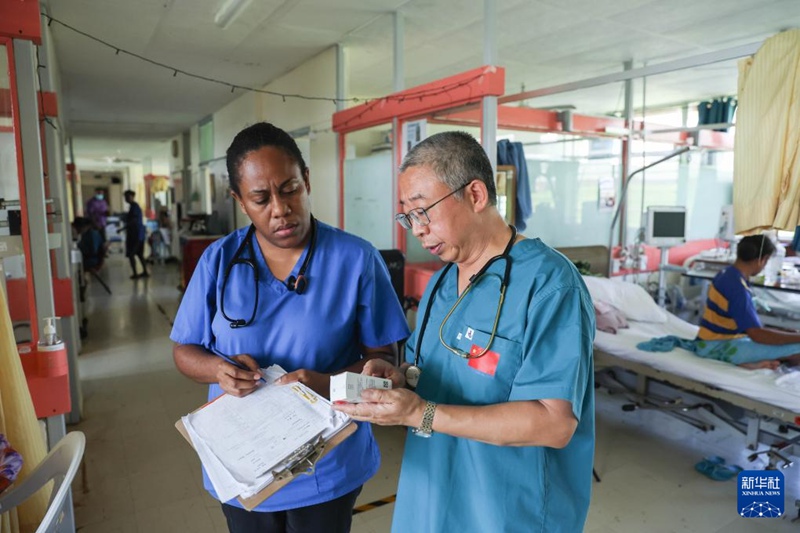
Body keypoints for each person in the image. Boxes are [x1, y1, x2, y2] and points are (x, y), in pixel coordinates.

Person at [334, 131, 596, 533]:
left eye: (424, 212)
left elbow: (553, 423)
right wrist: (399, 380)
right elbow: (434, 375)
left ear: (475, 195)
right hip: (431, 498)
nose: (416, 230)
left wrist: (421, 413)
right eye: (408, 216)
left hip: (506, 511)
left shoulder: (549, 285)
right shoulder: (443, 284)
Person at [170, 122, 409, 533]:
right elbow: (185, 351)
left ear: (307, 182)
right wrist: (217, 371)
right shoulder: (218, 261)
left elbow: (383, 361)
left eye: (290, 189)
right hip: (243, 461)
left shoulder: (356, 259)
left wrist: (327, 383)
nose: (279, 208)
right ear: (240, 201)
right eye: (260, 198)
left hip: (327, 461)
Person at [695, 234, 800, 368]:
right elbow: (757, 335)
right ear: (763, 260)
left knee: (790, 337)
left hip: (707, 340)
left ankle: (759, 363)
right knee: (797, 348)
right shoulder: (738, 288)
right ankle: (761, 365)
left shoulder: (727, 274)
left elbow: (747, 326)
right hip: (717, 346)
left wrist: (786, 333)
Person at [123, 189, 148, 279]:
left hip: (136, 235)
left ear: (132, 197)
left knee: (131, 254)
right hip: (138, 234)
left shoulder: (135, 207)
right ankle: (145, 272)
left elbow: (133, 221)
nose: (126, 198)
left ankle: (135, 273)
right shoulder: (133, 207)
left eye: (127, 196)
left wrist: (123, 228)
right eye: (125, 197)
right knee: (139, 254)